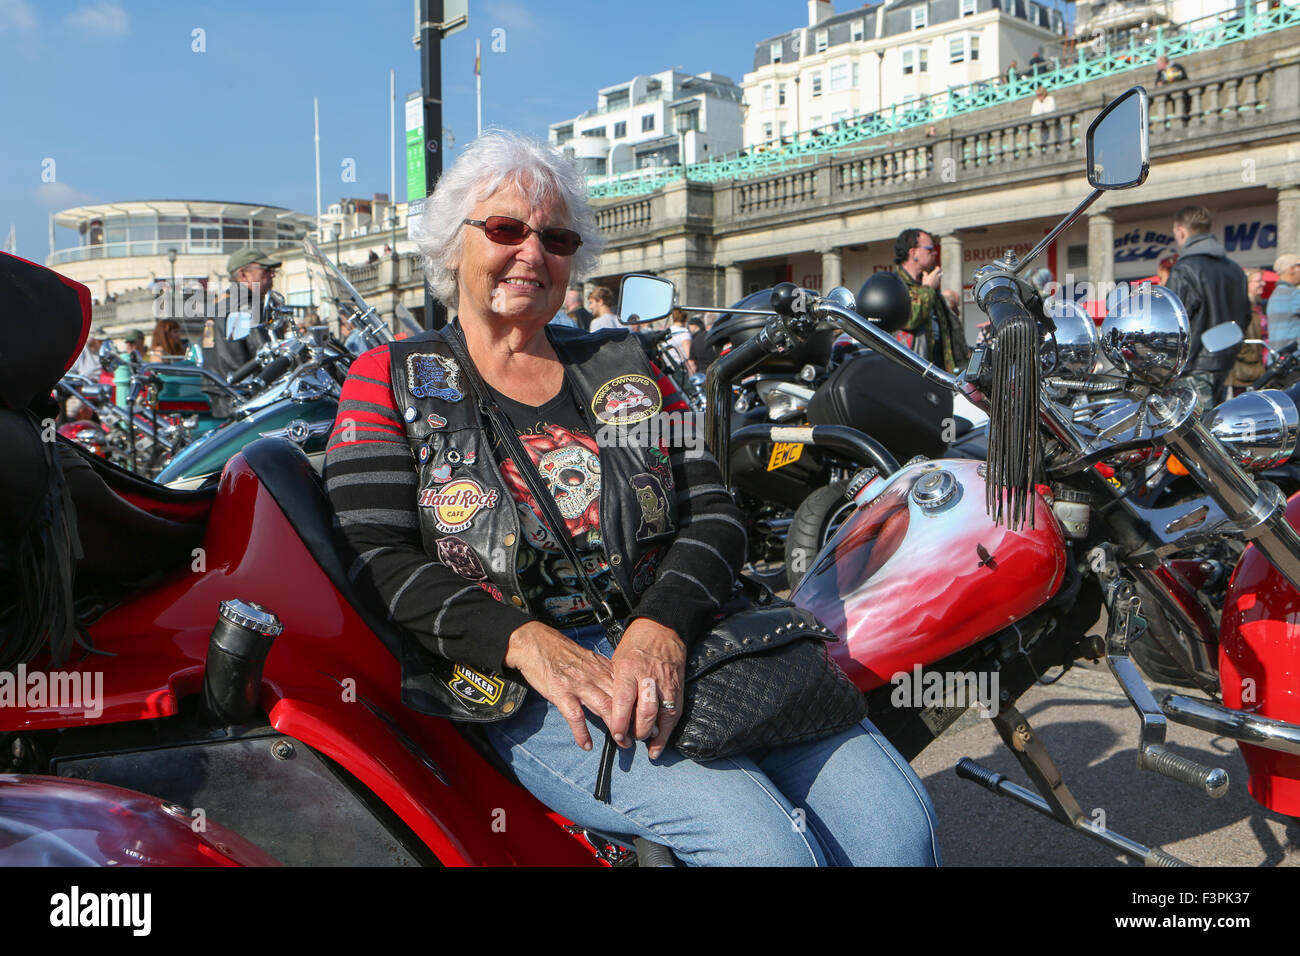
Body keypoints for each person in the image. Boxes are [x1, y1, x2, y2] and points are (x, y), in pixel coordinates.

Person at [323, 129, 939, 866]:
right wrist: (520, 640)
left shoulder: (627, 366)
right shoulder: (392, 376)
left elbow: (712, 509)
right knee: (767, 851)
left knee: (898, 834)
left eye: (555, 237)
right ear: (453, 246)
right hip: (532, 683)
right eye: (505, 229)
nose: (532, 252)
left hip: (697, 638)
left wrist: (662, 623)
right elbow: (372, 555)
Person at [1163, 205, 1250, 410]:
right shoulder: (1235, 269)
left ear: (1181, 231)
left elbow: (1173, 322)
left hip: (1193, 366)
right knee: (1214, 428)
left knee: (1194, 435)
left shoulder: (1185, 269)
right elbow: (1246, 316)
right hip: (1224, 361)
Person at [893, 228, 970, 373]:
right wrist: (927, 289)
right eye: (930, 249)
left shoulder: (927, 284)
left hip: (938, 373)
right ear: (913, 252)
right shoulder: (894, 285)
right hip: (911, 373)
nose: (935, 253)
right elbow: (909, 319)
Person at [1226, 268, 1267, 395]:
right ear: (1246, 284)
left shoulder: (1257, 306)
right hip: (1245, 371)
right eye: (1258, 280)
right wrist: (1252, 357)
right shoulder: (1240, 307)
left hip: (1257, 366)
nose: (1263, 283)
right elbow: (1234, 335)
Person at [1266, 253, 1300, 350]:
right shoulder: (1293, 294)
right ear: (1292, 269)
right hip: (1292, 358)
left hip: (1277, 356)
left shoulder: (1275, 294)